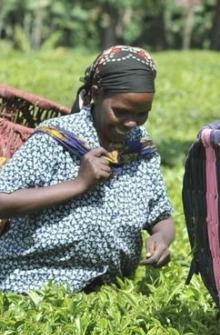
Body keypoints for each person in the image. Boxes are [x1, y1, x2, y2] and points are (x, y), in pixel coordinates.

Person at [0, 46, 175, 294]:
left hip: (109, 288)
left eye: (142, 114)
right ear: (96, 94)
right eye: (121, 112)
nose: (132, 122)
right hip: (32, 281)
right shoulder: (55, 138)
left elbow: (161, 216)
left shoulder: (140, 147)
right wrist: (79, 184)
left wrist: (161, 238)